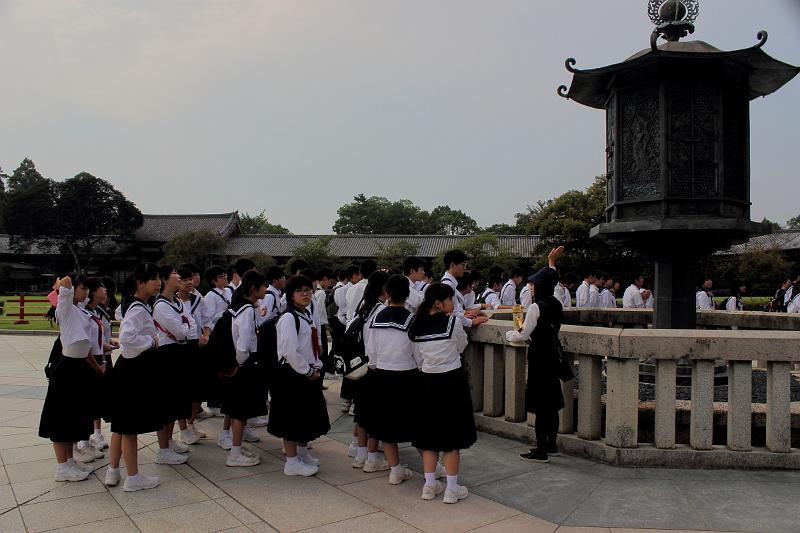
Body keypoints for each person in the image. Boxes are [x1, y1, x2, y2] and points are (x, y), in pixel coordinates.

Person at [409, 282, 475, 504]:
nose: (453, 303)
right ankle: (452, 489)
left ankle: (429, 486)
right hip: (451, 381)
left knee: (429, 436)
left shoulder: (416, 326)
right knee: (451, 437)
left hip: (427, 380)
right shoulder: (453, 322)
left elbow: (417, 357)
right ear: (439, 302)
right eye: (450, 300)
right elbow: (461, 345)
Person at [39, 274, 103, 483]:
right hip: (67, 368)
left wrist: (96, 367)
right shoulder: (64, 307)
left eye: (86, 289)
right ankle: (62, 467)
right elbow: (66, 280)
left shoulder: (80, 310)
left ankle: (69, 460)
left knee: (72, 417)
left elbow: (85, 345)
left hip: (79, 368)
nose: (85, 292)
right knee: (60, 418)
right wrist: (60, 285)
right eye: (82, 288)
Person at [106, 262, 163, 491]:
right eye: (154, 279)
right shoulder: (138, 307)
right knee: (128, 426)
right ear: (140, 283)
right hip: (133, 369)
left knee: (121, 425)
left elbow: (121, 314)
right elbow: (128, 337)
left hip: (128, 369)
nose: (158, 282)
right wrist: (151, 341)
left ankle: (113, 469)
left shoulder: (132, 303)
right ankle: (133, 477)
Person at [506, 245, 566, 463]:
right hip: (553, 357)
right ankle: (551, 445)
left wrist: (508, 334)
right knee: (552, 404)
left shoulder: (535, 307)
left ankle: (540, 451)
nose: (531, 287)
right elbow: (556, 285)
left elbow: (523, 335)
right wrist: (551, 264)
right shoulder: (557, 302)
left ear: (539, 287)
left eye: (533, 284)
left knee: (542, 406)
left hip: (540, 358)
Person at [269, 275, 331, 476]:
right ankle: (292, 462)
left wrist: (316, 366)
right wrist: (308, 371)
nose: (305, 294)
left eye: (308, 290)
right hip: (292, 375)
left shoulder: (306, 315)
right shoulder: (288, 317)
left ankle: (302, 454)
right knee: (291, 418)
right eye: (300, 291)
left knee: (306, 417)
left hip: (307, 372)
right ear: (290, 295)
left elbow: (309, 347)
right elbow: (290, 351)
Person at [366, 274, 418, 485]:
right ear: (408, 295)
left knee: (386, 426)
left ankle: (395, 469)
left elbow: (371, 352)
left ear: (386, 294)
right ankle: (435, 469)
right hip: (408, 375)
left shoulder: (376, 318)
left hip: (382, 375)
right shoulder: (412, 319)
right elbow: (418, 352)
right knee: (417, 425)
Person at [223, 270, 269, 467]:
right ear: (253, 289)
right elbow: (243, 342)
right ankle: (234, 454)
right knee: (240, 411)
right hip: (244, 365)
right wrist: (241, 363)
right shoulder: (247, 310)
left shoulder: (242, 306)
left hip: (241, 364)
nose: (266, 290)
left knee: (238, 411)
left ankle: (237, 447)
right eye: (263, 286)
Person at [349, 271, 390, 472]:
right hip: (373, 367)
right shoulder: (381, 310)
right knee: (375, 414)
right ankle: (372, 459)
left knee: (362, 413)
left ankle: (360, 455)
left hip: (359, 366)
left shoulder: (364, 306)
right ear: (384, 289)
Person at [152, 265, 191, 466]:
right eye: (175, 274)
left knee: (175, 403)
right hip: (167, 355)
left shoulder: (176, 302)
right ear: (165, 279)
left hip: (178, 353)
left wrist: (186, 326)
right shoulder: (160, 305)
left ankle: (168, 441)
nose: (179, 277)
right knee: (166, 403)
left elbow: (190, 324)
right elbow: (181, 331)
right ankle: (163, 449)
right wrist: (186, 327)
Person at [176, 267, 209, 443]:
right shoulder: (171, 301)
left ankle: (191, 423)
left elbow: (206, 320)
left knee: (198, 389)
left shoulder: (198, 300)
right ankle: (183, 429)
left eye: (190, 279)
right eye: (184, 279)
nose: (188, 282)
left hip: (197, 346)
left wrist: (206, 335)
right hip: (180, 347)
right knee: (183, 390)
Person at [202, 265, 230, 417]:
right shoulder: (211, 296)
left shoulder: (227, 292)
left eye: (225, 275)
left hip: (226, 335)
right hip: (216, 336)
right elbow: (209, 317)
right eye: (221, 276)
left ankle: (221, 400)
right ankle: (213, 403)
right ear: (214, 281)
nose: (225, 277)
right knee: (215, 370)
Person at [441, 250, 488, 329]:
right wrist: (472, 322)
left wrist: (465, 313)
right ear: (452, 265)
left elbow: (456, 309)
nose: (465, 267)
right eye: (463, 264)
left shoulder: (450, 283)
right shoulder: (448, 284)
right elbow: (452, 312)